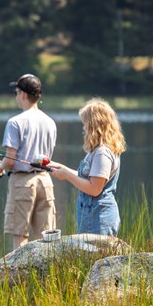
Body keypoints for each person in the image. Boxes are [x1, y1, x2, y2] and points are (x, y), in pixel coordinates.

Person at [0, 73, 57, 250]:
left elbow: (10, 160)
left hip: (22, 182)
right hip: (45, 181)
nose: (16, 96)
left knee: (20, 235)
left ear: (22, 94)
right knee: (46, 237)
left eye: (16, 91)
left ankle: (19, 276)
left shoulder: (15, 122)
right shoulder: (50, 122)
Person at [49, 98, 126, 236]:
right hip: (91, 215)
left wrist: (66, 175)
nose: (83, 128)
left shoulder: (102, 153)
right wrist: (60, 167)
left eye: (85, 123)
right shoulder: (98, 150)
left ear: (94, 124)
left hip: (98, 218)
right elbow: (90, 178)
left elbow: (94, 189)